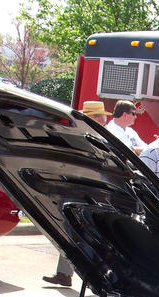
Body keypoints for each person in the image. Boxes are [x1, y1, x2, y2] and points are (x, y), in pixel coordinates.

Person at [43, 101, 109, 286]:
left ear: (94, 119)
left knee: (86, 235)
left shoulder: (98, 140)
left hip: (89, 194)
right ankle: (64, 273)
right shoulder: (83, 137)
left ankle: (97, 278)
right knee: (69, 232)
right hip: (75, 191)